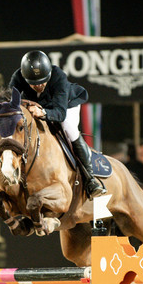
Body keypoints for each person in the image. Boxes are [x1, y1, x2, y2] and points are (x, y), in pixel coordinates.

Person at [9, 50, 106, 198]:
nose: (39, 86)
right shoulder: (19, 77)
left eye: (43, 81)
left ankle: (90, 179)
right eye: (33, 84)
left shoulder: (58, 76)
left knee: (69, 129)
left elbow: (60, 114)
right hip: (37, 106)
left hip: (66, 106)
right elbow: (11, 102)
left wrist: (43, 113)